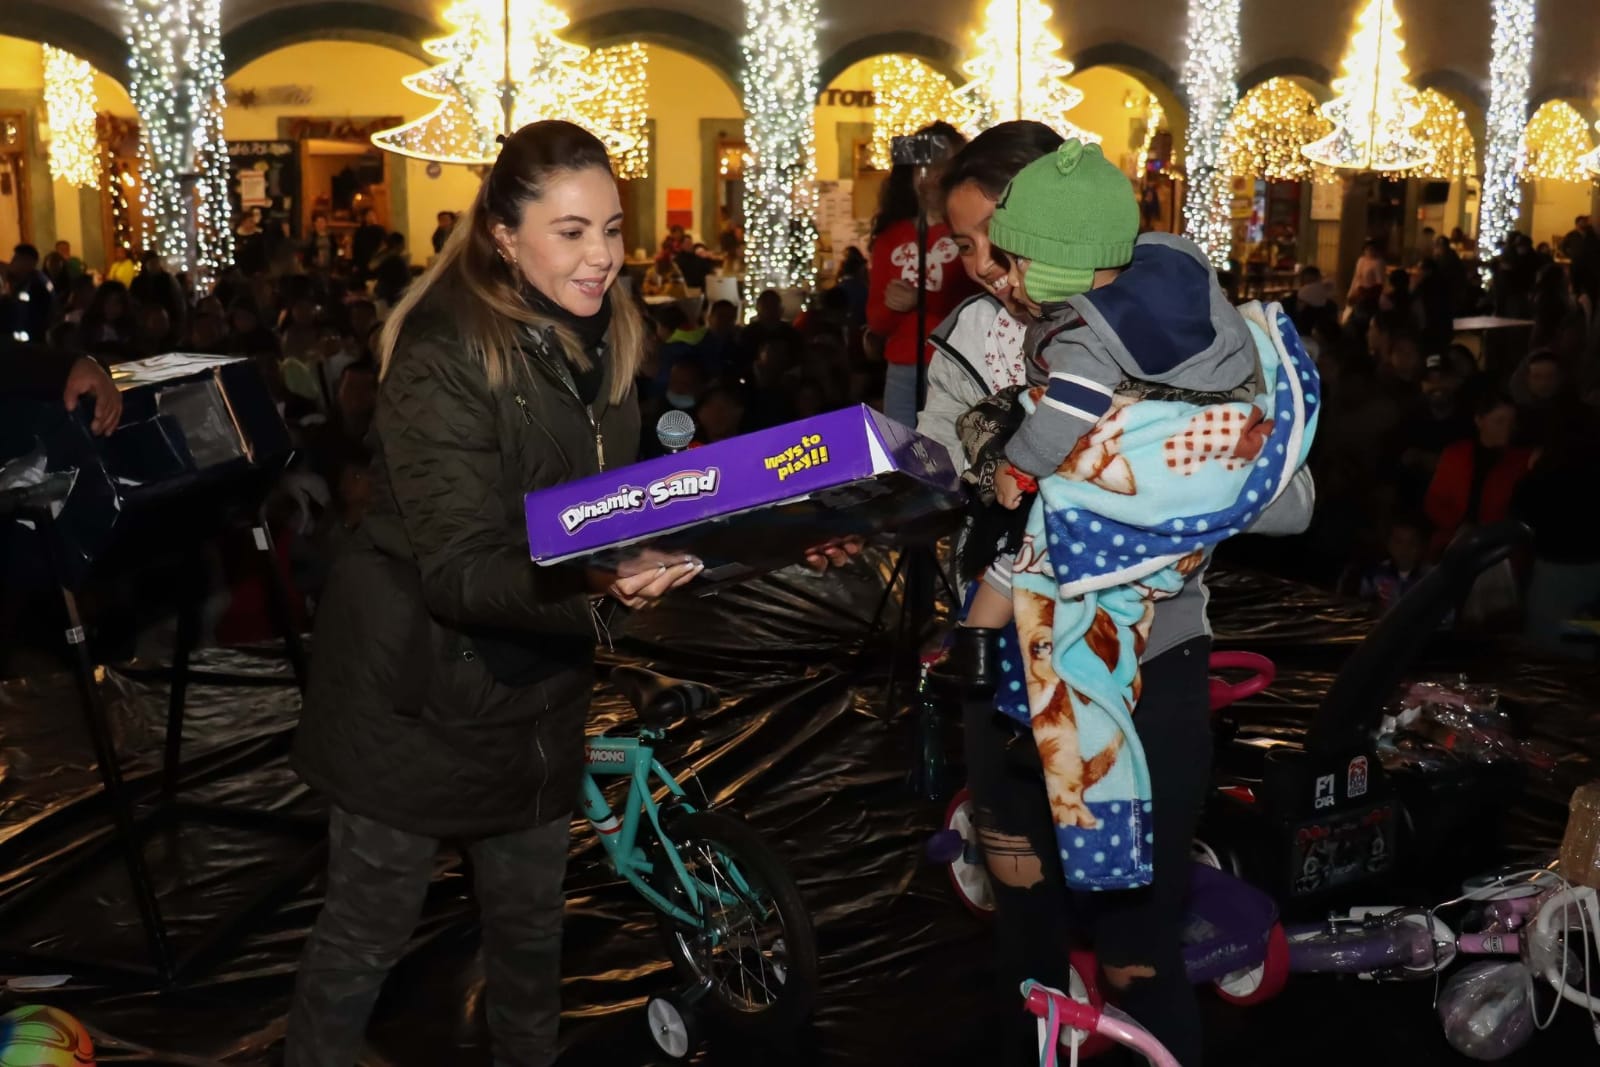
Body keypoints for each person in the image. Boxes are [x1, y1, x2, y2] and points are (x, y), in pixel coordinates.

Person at [284, 120, 700, 1067]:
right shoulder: (446, 352)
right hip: (413, 695)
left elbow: (597, 504)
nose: (601, 256)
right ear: (505, 235)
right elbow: (464, 568)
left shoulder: (610, 333)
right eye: (571, 231)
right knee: (366, 933)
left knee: (531, 931)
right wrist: (602, 577)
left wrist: (700, 532)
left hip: (535, 679)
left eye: (612, 227)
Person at [922, 138, 1311, 1066]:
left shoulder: (1164, 315)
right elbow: (929, 472)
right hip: (1000, 658)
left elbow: (1291, 501)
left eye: (990, 242)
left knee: (1139, 939)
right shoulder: (967, 340)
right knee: (1025, 928)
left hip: (1147, 662)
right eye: (967, 249)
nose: (981, 270)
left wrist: (1156, 480)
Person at [866, 122, 979, 429]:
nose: (933, 177)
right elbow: (876, 321)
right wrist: (893, 305)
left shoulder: (969, 233)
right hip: (902, 368)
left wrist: (923, 299)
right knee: (902, 453)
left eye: (943, 167)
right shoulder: (891, 237)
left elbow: (975, 303)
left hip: (955, 363)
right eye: (924, 167)